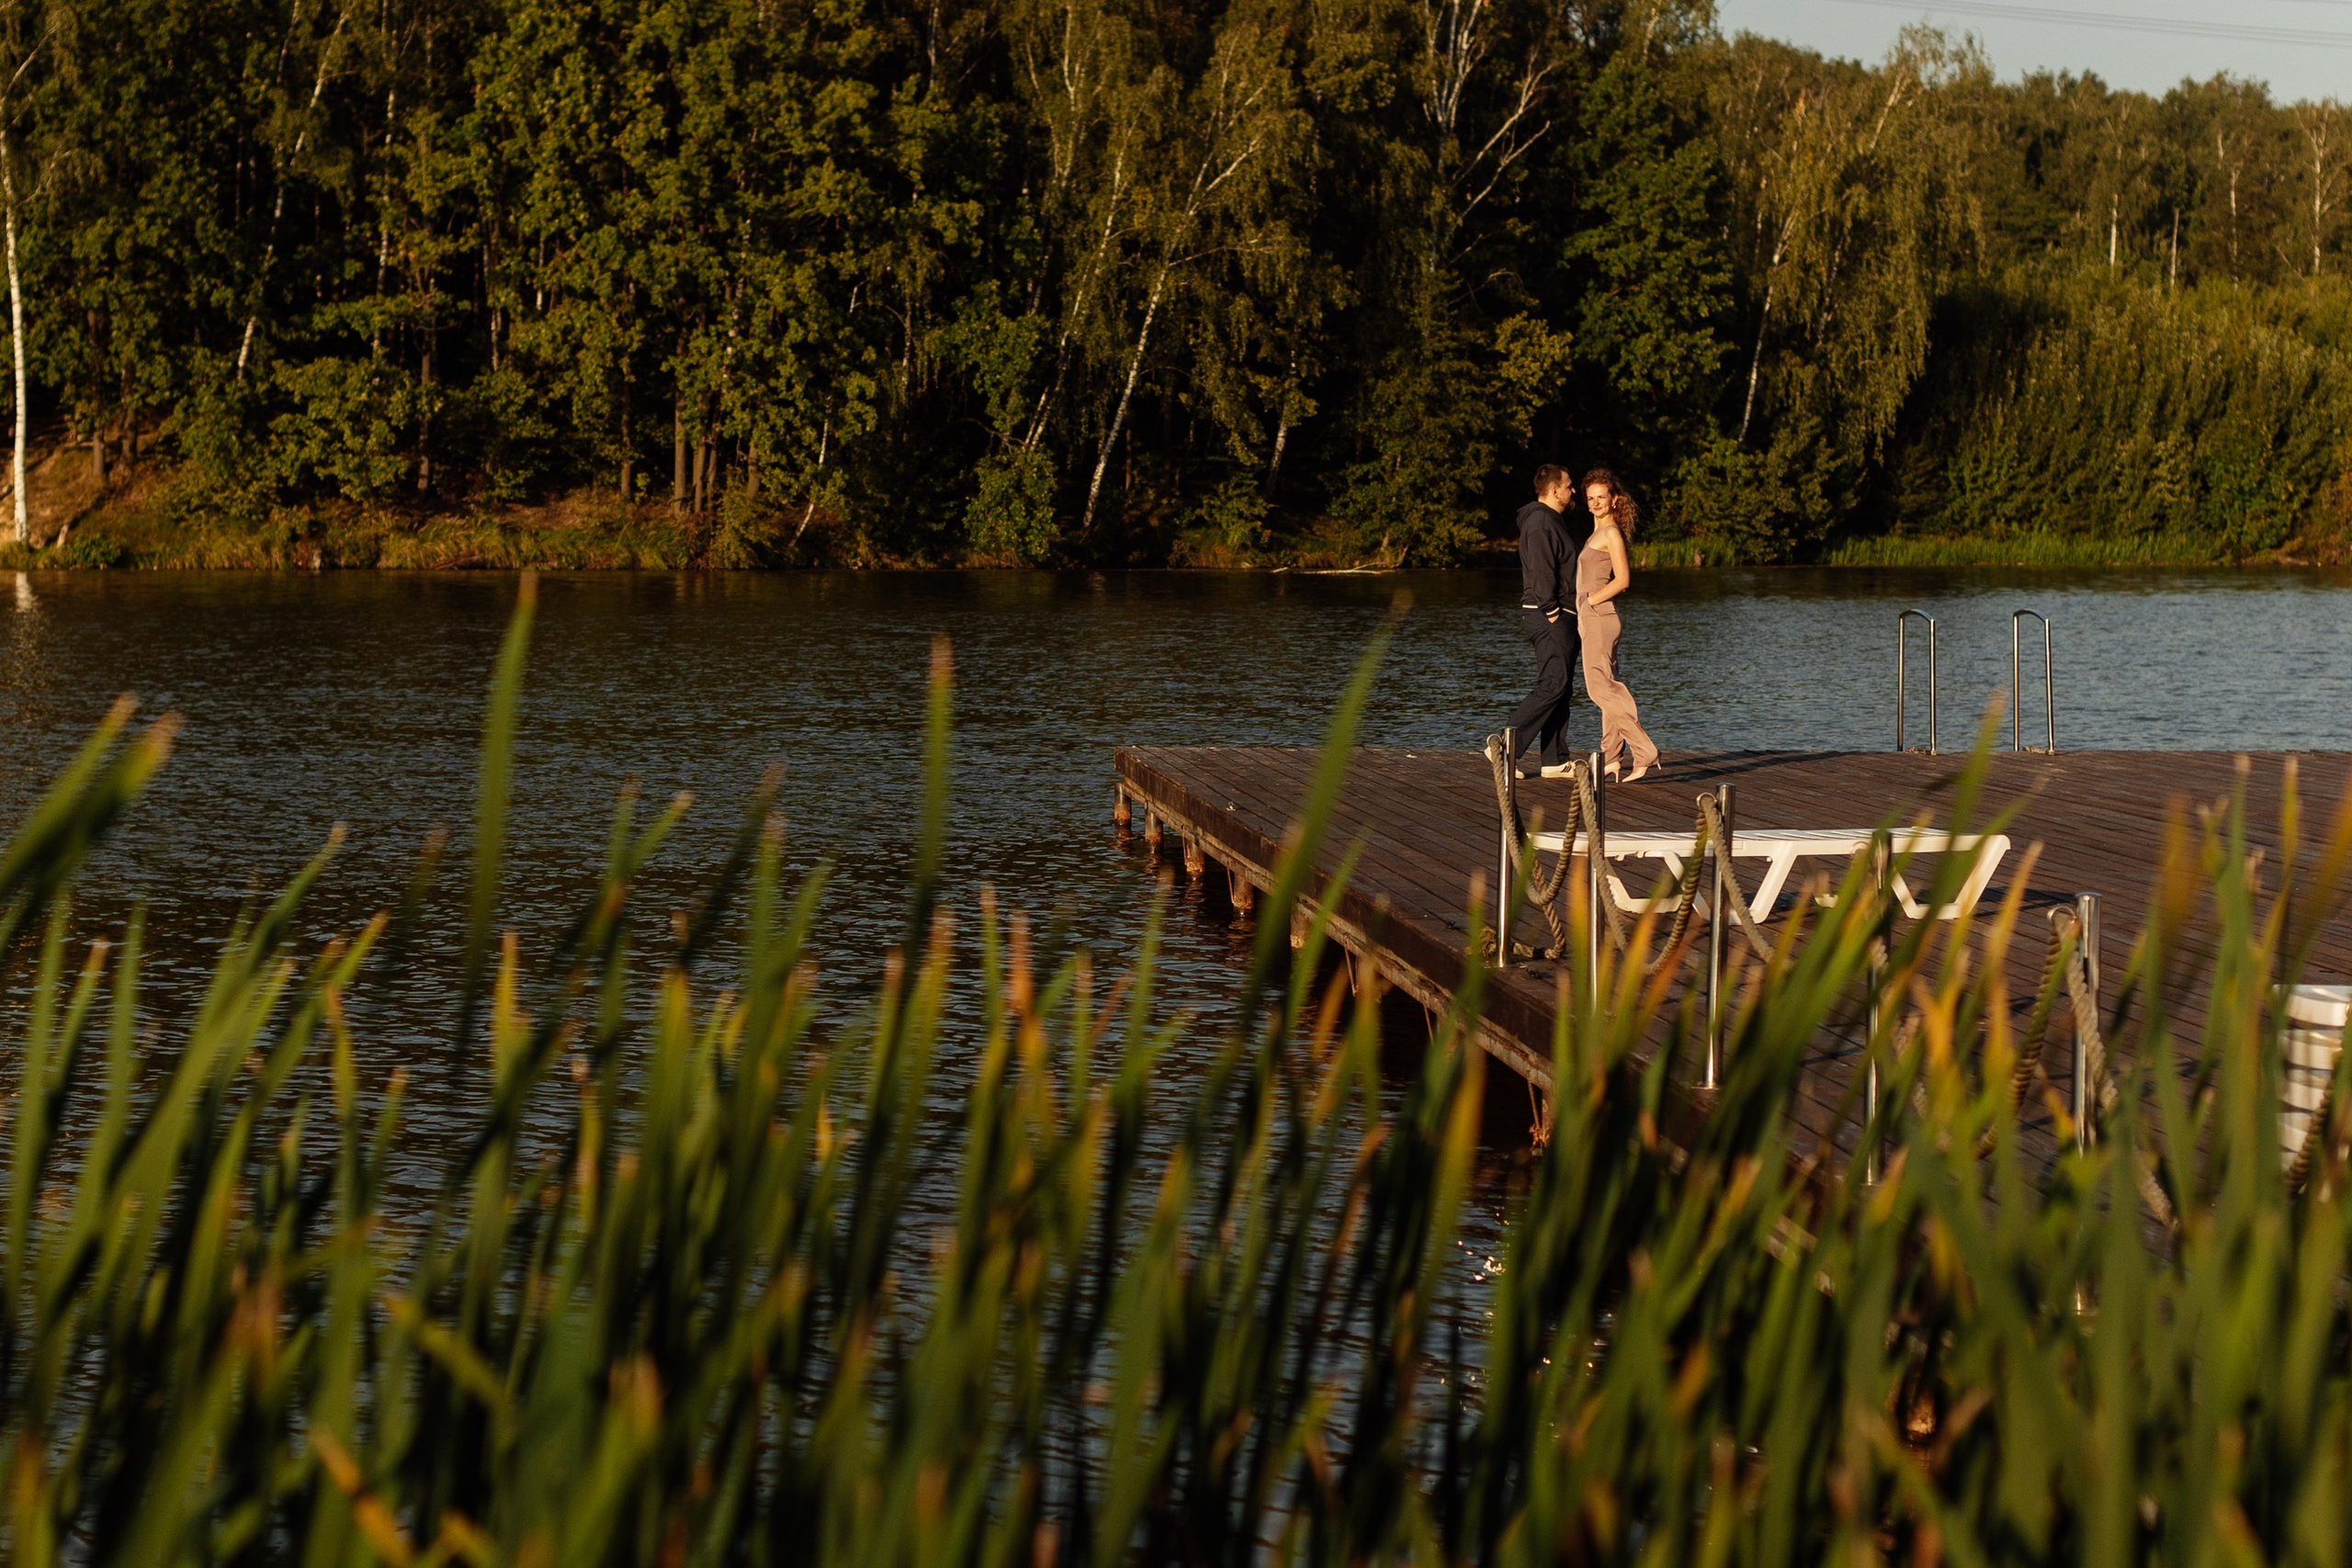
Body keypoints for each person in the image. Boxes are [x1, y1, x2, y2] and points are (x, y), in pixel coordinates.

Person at [1494, 464, 1583, 778]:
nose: (1573, 490)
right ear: (1555, 490)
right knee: (1554, 683)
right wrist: (1553, 611)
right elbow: (1542, 571)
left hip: (1560, 614)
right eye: (1569, 485)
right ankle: (1504, 748)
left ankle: (1554, 760)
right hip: (1548, 615)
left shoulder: (1551, 520)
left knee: (1562, 686)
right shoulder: (1541, 522)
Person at [1575, 468, 1660, 783]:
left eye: (1602, 497)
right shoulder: (1597, 533)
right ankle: (1611, 757)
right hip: (1593, 617)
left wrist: (1590, 601)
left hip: (1599, 616)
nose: (1596, 503)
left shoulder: (1611, 533)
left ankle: (1644, 750)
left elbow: (1623, 580)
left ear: (1614, 499)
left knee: (1600, 688)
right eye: (1591, 498)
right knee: (1607, 686)